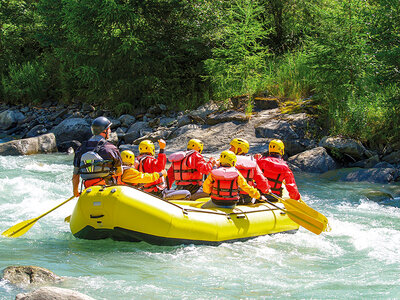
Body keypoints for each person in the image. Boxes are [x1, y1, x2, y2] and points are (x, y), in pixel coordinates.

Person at [72, 116, 122, 197]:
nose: (110, 131)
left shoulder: (81, 149)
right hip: (107, 190)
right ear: (104, 131)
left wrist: (75, 192)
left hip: (88, 190)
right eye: (109, 129)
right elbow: (119, 172)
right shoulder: (111, 148)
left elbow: (75, 174)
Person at [121, 149, 189, 200]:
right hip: (157, 193)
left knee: (173, 191)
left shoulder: (119, 171)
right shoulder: (129, 171)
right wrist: (161, 173)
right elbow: (149, 176)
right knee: (187, 193)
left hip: (145, 192)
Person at [229, 138, 271, 204]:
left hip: (229, 197)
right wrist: (266, 190)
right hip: (247, 198)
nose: (230, 149)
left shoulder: (228, 161)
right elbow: (261, 179)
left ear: (239, 149)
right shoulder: (252, 162)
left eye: (232, 147)